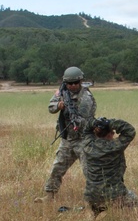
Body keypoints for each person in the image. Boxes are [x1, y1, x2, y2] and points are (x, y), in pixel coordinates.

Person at [36, 66, 97, 202]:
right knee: (57, 167)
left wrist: (75, 118)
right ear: (65, 83)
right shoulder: (62, 92)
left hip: (84, 139)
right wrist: (59, 106)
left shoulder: (86, 97)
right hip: (68, 139)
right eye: (70, 83)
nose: (73, 85)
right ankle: (49, 195)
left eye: (76, 82)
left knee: (90, 171)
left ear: (81, 81)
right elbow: (51, 107)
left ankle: (97, 198)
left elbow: (85, 120)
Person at [81, 116, 138, 216]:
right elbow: (130, 131)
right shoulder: (114, 147)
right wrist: (110, 122)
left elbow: (86, 130)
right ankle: (109, 211)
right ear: (109, 134)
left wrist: (96, 123)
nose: (114, 134)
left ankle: (97, 210)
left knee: (98, 206)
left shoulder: (88, 145)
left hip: (91, 196)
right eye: (112, 132)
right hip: (113, 195)